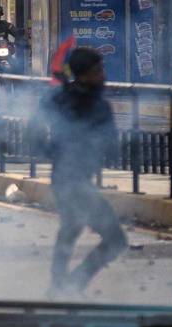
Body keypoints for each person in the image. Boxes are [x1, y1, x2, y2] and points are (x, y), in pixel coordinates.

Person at [31, 47, 127, 294]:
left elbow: (33, 132)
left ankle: (59, 286)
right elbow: (112, 147)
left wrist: (52, 151)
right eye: (98, 71)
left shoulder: (60, 97)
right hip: (74, 180)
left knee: (70, 229)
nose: (103, 76)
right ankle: (73, 283)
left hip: (68, 177)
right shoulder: (94, 105)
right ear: (83, 75)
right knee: (115, 240)